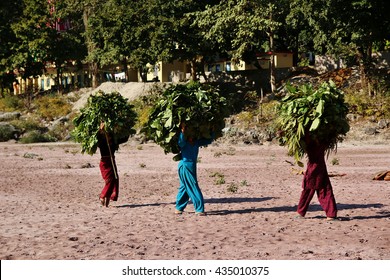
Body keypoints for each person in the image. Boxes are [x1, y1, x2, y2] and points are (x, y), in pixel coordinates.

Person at [296, 135, 338, 220]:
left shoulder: (310, 141)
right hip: (321, 167)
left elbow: (303, 139)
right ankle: (331, 214)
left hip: (313, 168)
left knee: (309, 189)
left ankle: (301, 212)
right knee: (324, 189)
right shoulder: (323, 139)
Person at [175, 123, 214, 215]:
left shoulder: (197, 143)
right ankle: (199, 209)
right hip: (184, 166)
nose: (191, 136)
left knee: (184, 187)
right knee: (193, 185)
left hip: (192, 167)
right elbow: (180, 141)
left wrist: (212, 130)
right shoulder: (184, 143)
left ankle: (179, 207)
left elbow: (209, 140)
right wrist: (183, 130)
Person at [97, 122, 128, 207]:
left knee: (115, 179)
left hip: (112, 161)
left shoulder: (114, 142)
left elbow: (124, 138)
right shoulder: (103, 141)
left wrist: (126, 128)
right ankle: (102, 196)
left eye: (110, 135)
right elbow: (98, 137)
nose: (109, 137)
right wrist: (101, 130)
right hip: (105, 163)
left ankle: (108, 199)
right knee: (109, 180)